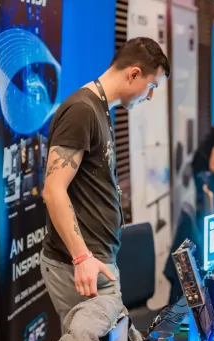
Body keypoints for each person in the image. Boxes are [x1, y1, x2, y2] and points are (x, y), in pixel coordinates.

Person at [40, 37, 171, 323]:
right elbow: (53, 190)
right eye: (151, 86)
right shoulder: (81, 110)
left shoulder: (99, 107)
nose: (150, 96)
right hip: (82, 264)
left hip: (98, 260)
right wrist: (81, 257)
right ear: (133, 74)